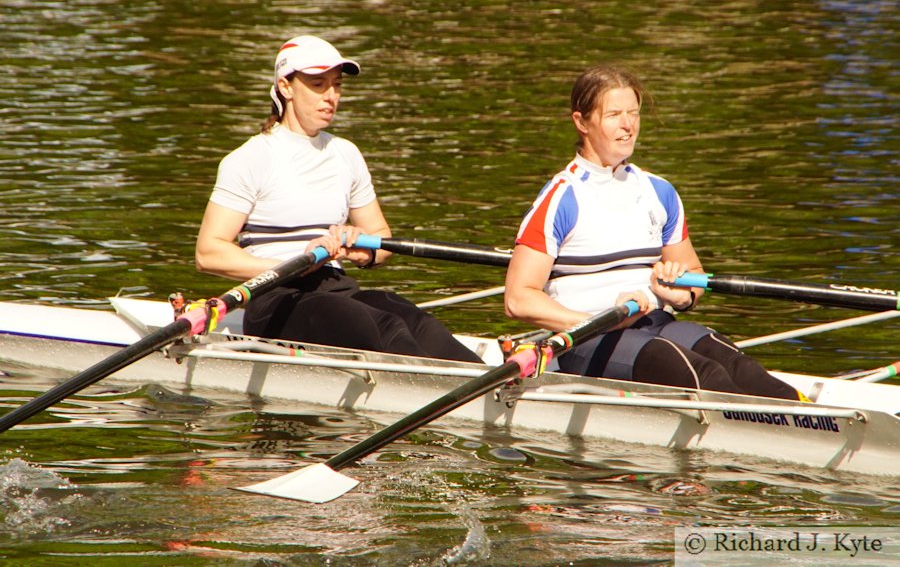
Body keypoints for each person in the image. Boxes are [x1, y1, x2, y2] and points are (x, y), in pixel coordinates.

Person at [503, 64, 803, 401]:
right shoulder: (561, 198)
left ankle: (807, 423)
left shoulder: (659, 192)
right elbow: (518, 298)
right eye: (614, 114)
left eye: (633, 113)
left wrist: (679, 294)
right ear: (581, 122)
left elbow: (694, 277)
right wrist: (595, 320)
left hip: (655, 322)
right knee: (701, 373)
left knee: (737, 365)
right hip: (587, 339)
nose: (628, 125)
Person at [195, 35, 482, 363]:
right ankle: (438, 396)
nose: (331, 96)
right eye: (318, 84)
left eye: (336, 85)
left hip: (336, 286)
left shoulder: (345, 153)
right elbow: (209, 252)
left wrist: (363, 250)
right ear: (285, 87)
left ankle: (490, 390)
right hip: (276, 299)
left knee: (416, 320)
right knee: (383, 326)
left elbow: (383, 240)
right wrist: (290, 268)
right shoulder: (250, 158)